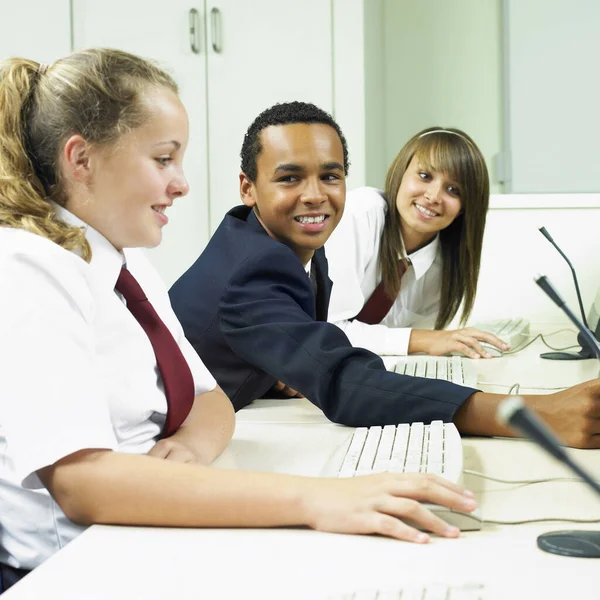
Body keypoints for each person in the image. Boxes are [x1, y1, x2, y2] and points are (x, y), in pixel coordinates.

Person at [0, 50, 476, 588]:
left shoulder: (127, 259)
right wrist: (317, 499)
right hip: (76, 567)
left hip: (152, 522)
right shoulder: (27, 267)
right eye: (162, 159)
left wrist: (190, 450)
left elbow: (211, 400)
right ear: (80, 159)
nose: (181, 184)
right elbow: (84, 485)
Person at [169, 101, 600, 449]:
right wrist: (531, 414)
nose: (315, 195)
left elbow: (288, 341)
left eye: (330, 176)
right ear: (248, 188)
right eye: (290, 178)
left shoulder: (294, 249)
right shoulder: (252, 269)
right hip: (166, 442)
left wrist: (278, 371)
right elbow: (342, 381)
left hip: (215, 423)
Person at [325, 127, 506, 359]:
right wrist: (423, 339)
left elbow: (401, 351)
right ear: (401, 172)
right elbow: (328, 331)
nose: (433, 196)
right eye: (425, 176)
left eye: (453, 190)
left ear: (465, 208)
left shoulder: (444, 267)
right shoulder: (361, 213)